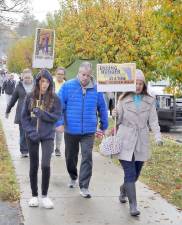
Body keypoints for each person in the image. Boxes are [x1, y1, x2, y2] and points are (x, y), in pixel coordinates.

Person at [112, 69, 163, 216]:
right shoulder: (122, 99)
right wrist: (116, 113)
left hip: (141, 140)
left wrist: (158, 137)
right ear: (131, 83)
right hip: (126, 139)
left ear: (144, 85)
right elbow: (119, 119)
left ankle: (123, 189)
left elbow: (153, 121)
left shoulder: (150, 100)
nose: (138, 86)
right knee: (130, 172)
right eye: (136, 83)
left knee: (135, 174)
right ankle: (133, 206)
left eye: (141, 83)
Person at [56, 62, 108, 198]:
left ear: (91, 75)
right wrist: (60, 123)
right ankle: (73, 176)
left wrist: (104, 126)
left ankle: (84, 186)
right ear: (78, 74)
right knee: (70, 157)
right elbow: (58, 106)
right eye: (82, 74)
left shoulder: (97, 89)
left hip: (89, 130)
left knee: (87, 157)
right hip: (71, 129)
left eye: (87, 75)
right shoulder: (67, 87)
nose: (85, 77)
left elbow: (102, 107)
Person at [21, 69, 62, 209]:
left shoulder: (55, 98)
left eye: (46, 81)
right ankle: (34, 195)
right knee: (34, 164)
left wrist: (42, 114)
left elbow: (56, 117)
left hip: (48, 135)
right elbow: (24, 118)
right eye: (41, 81)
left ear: (50, 82)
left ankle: (44, 195)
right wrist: (31, 131)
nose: (43, 84)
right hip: (32, 135)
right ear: (37, 82)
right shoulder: (30, 97)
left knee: (45, 164)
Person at [5, 69, 34, 157]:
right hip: (22, 113)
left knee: (32, 132)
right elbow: (13, 99)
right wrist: (8, 110)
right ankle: (24, 151)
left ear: (31, 77)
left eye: (28, 77)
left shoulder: (35, 86)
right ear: (22, 77)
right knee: (23, 133)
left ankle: (31, 149)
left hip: (33, 114)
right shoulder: (19, 87)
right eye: (25, 77)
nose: (27, 79)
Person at [53, 67, 66, 156]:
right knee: (50, 130)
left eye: (62, 74)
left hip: (61, 111)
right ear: (55, 74)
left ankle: (57, 148)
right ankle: (49, 148)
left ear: (64, 75)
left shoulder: (66, 84)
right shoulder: (52, 83)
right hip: (51, 110)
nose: (60, 76)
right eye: (58, 74)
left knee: (59, 131)